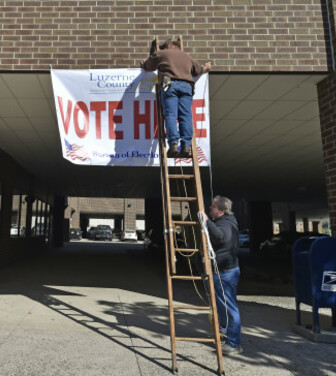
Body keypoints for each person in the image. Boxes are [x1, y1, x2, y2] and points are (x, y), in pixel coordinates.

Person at [141, 37, 212, 158]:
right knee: (186, 116)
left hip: (169, 84)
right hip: (186, 86)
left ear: (168, 46)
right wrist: (207, 66)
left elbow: (149, 66)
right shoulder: (187, 56)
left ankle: (173, 144)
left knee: (171, 115)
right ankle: (186, 146)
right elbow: (199, 70)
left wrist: (144, 64)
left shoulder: (162, 53)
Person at [197, 195, 242, 354]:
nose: (210, 208)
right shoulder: (225, 221)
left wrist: (206, 221)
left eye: (213, 207)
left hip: (225, 273)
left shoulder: (226, 223)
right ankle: (224, 331)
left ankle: (234, 343)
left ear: (222, 211)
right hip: (221, 271)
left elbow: (221, 237)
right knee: (221, 305)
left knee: (229, 307)